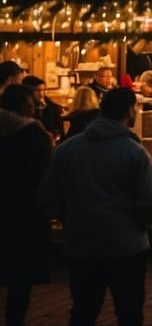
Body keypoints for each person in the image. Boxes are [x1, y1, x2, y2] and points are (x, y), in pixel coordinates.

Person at [40, 87, 152, 326]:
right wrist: (140, 226)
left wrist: (68, 219)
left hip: (81, 243)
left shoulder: (68, 149)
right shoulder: (135, 152)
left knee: (83, 309)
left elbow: (48, 194)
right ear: (129, 111)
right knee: (129, 311)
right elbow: (150, 200)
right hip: (127, 246)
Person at [2, 84, 53, 326]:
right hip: (23, 212)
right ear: (25, 105)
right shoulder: (32, 134)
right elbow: (45, 174)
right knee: (19, 279)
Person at [23, 74, 65, 139]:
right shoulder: (23, 107)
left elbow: (58, 131)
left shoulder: (52, 107)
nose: (41, 94)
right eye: (37, 90)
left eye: (43, 90)